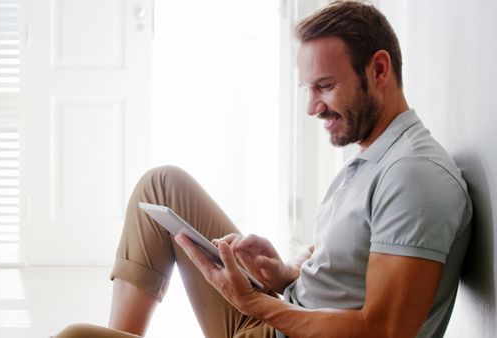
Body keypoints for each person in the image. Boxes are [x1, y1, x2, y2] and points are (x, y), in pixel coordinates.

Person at [56, 1, 472, 337]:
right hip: (281, 317)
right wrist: (283, 275)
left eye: (325, 86)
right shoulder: (376, 155)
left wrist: (256, 304)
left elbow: (384, 332)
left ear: (379, 70)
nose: (312, 107)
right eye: (308, 89)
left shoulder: (414, 176)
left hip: (276, 324)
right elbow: (348, 281)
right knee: (160, 187)